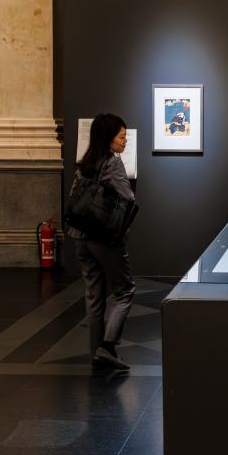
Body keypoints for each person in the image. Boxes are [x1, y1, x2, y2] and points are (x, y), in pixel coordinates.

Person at [67, 113, 137, 371]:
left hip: (80, 236)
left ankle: (96, 352)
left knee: (94, 295)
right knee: (125, 290)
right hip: (103, 237)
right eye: (121, 136)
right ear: (109, 138)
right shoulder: (112, 163)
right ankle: (107, 348)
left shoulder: (86, 161)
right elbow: (128, 197)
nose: (125, 141)